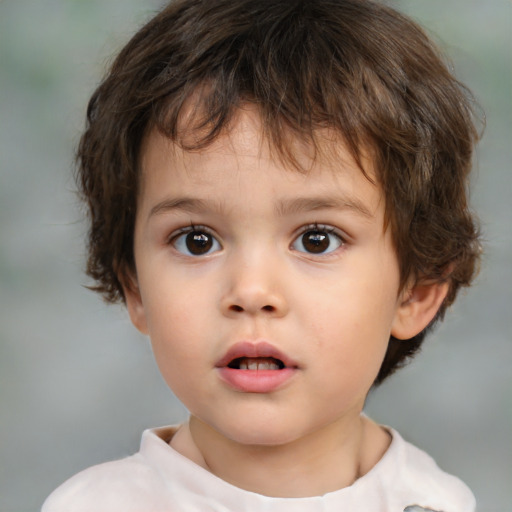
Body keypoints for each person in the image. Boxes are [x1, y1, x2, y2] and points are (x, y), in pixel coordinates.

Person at [42, 0, 482, 510]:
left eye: (317, 239)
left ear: (417, 289)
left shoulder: (438, 501)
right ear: (136, 287)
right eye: (197, 240)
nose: (251, 291)